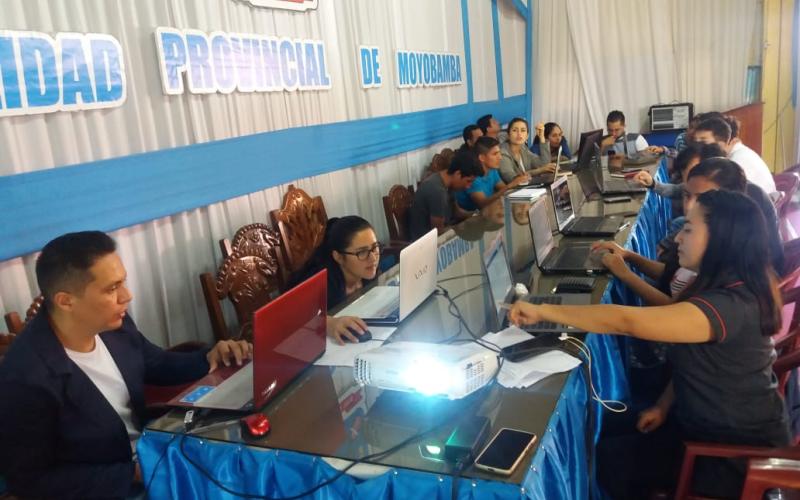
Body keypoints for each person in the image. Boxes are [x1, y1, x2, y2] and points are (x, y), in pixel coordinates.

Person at [510, 190, 790, 499]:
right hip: (702, 419)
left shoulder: (728, 306)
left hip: (730, 454)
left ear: (721, 239)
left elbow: (625, 321)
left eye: (689, 229)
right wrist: (662, 405)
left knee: (607, 460)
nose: (678, 237)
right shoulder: (724, 283)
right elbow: (696, 362)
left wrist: (543, 311)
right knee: (599, 428)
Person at [0, 231, 251, 499]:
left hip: (152, 449)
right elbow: (32, 481)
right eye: (111, 288)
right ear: (66, 301)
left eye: (123, 283)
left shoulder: (111, 325)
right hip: (110, 485)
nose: (126, 296)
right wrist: (136, 472)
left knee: (248, 466)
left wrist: (212, 357)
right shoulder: (25, 377)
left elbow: (158, 363)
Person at [598, 156, 785, 306]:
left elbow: (674, 310)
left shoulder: (725, 264)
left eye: (702, 198)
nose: (689, 206)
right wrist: (629, 256)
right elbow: (670, 273)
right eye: (686, 195)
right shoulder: (701, 246)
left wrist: (625, 274)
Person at [289, 216, 382, 345]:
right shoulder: (323, 283)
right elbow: (291, 317)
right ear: (338, 257)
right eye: (362, 252)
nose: (373, 258)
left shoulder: (366, 269)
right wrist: (329, 323)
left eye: (375, 247)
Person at [408, 149, 483, 240]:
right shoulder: (437, 192)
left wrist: (474, 214)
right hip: (425, 242)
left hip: (443, 232)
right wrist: (462, 227)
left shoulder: (447, 183)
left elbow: (456, 212)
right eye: (468, 181)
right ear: (458, 174)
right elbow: (438, 232)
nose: (468, 186)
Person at [693, 116, 776, 195]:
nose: (698, 146)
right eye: (695, 142)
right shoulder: (736, 153)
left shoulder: (737, 161)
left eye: (703, 141)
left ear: (722, 141)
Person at [456, 136, 528, 211]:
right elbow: (482, 204)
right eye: (495, 154)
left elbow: (503, 188)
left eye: (499, 153)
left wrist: (518, 181)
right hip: (471, 216)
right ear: (482, 158)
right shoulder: (473, 177)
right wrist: (510, 185)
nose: (500, 157)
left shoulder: (492, 170)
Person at [498, 117, 556, 184]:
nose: (519, 134)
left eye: (523, 130)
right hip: (512, 190)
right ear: (508, 135)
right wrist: (539, 170)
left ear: (527, 136)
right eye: (514, 130)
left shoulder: (523, 148)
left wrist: (541, 137)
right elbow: (512, 178)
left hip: (527, 187)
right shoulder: (502, 153)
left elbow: (543, 164)